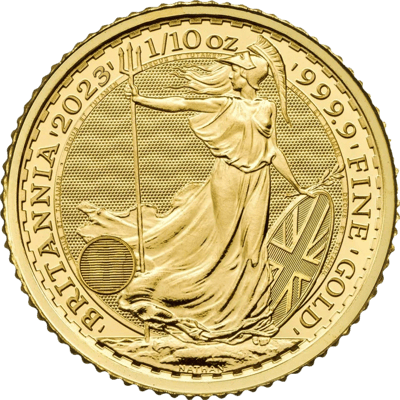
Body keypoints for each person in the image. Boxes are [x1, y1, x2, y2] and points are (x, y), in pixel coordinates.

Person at [78, 35, 313, 344]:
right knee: (224, 248)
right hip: (228, 179)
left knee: (253, 250)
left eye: (237, 71)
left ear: (249, 76)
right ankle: (208, 312)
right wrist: (140, 99)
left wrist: (298, 186)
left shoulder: (266, 108)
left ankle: (252, 318)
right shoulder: (224, 103)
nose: (231, 75)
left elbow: (273, 151)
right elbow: (181, 103)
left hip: (259, 180)